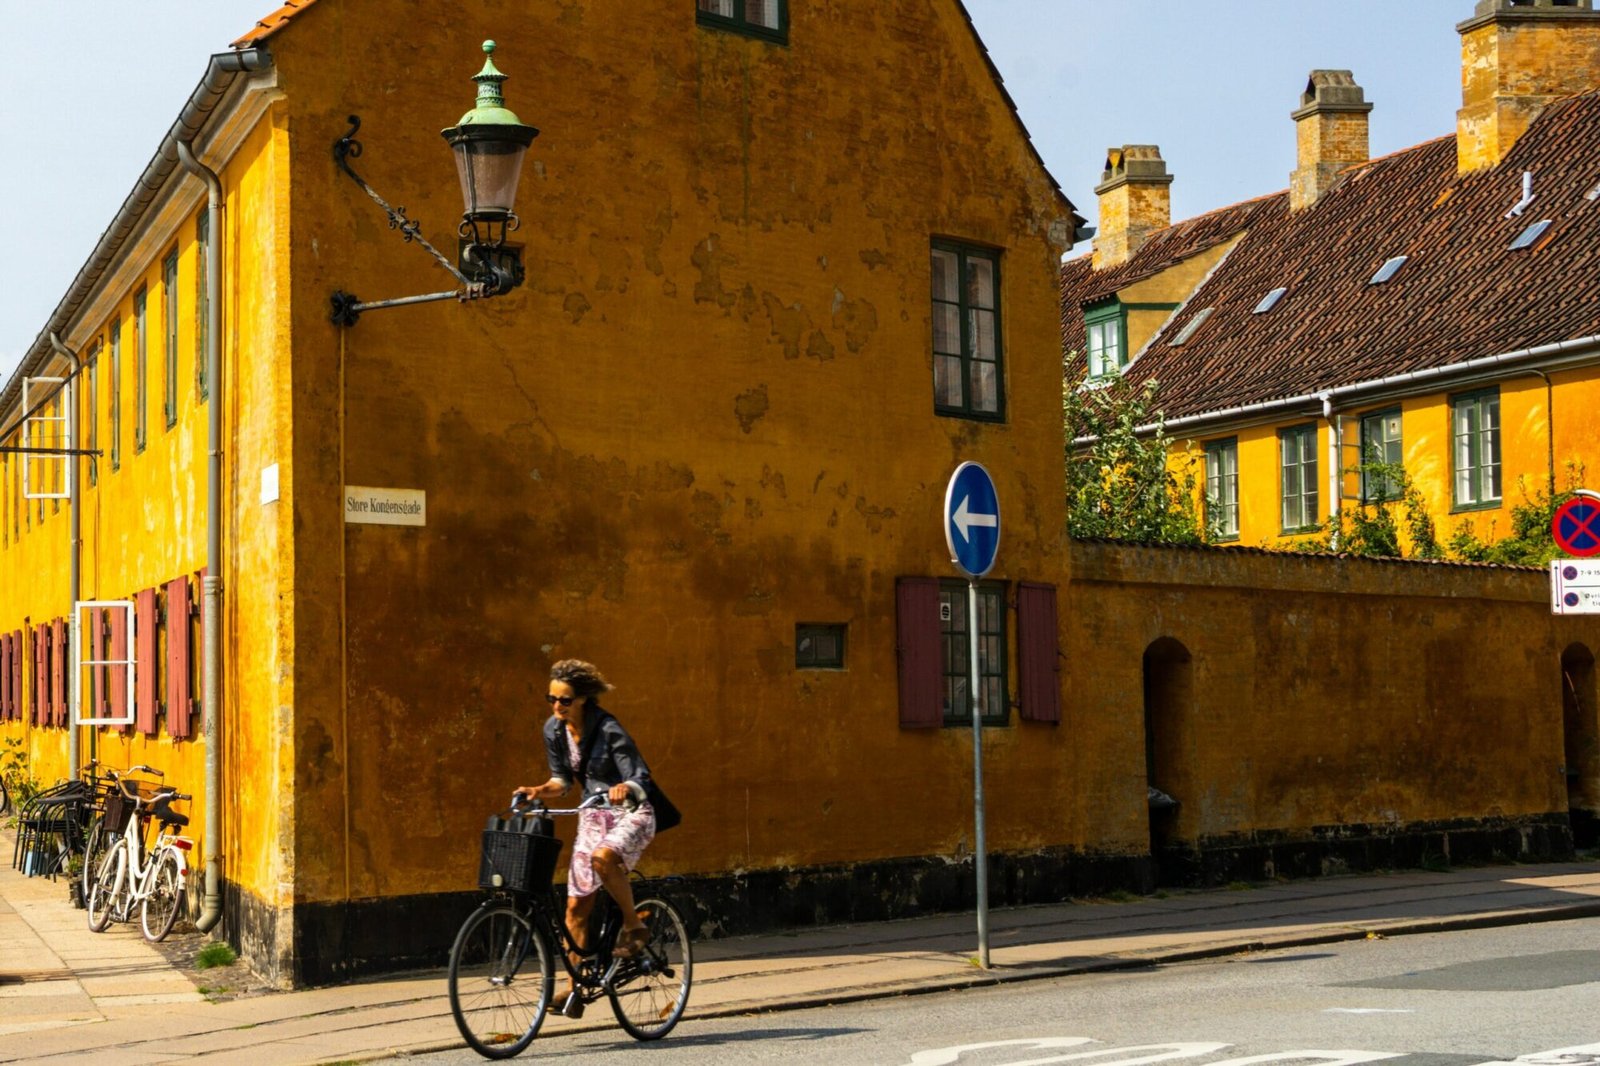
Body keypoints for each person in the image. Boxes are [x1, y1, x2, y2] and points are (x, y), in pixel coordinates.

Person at [515, 659, 656, 1015]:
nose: (557, 706)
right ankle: (574, 988)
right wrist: (537, 790)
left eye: (564, 700)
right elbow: (561, 781)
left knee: (603, 859)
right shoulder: (554, 730)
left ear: (583, 700)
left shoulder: (609, 729)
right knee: (576, 906)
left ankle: (634, 926)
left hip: (631, 813)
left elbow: (640, 775)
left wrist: (627, 787)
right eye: (552, 699)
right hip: (593, 816)